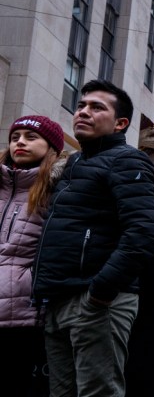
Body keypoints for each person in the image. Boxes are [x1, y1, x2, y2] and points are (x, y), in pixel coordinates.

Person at [32, 80, 154, 397]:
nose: (84, 112)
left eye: (96, 107)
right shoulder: (73, 163)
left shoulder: (127, 160)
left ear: (121, 123)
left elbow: (144, 232)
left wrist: (101, 291)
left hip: (95, 302)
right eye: (81, 106)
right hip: (58, 301)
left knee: (98, 393)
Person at [0, 115, 66, 396]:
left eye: (30, 137)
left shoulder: (59, 190)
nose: (21, 143)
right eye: (15, 137)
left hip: (22, 313)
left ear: (51, 147)